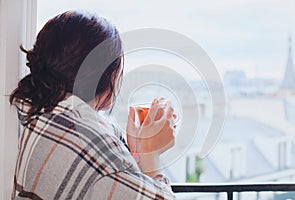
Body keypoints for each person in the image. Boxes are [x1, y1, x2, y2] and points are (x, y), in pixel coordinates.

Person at [10, 11, 176, 199]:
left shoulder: (40, 113)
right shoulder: (95, 146)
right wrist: (150, 154)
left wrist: (136, 149)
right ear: (107, 75)